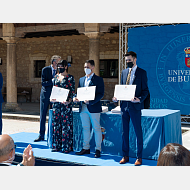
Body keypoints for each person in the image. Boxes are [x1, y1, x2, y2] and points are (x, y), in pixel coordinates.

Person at [113, 51, 149, 165]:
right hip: (124, 107)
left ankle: (139, 157)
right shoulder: (123, 72)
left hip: (135, 107)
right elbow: (122, 88)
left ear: (135, 59)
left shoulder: (142, 73)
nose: (127, 62)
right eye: (126, 60)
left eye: (129, 60)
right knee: (124, 132)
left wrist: (139, 99)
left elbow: (146, 91)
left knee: (138, 132)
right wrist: (116, 97)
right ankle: (125, 155)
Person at [73, 60, 104, 158]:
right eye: (84, 67)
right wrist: (76, 97)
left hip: (94, 107)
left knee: (96, 128)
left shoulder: (98, 79)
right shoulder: (81, 79)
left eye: (87, 67)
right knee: (85, 128)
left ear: (93, 67)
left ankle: (98, 149)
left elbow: (100, 94)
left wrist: (91, 102)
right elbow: (78, 92)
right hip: (83, 107)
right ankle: (86, 148)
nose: (86, 69)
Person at [34, 55, 61, 142]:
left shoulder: (60, 71)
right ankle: (41, 135)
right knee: (43, 116)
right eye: (58, 62)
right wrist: (53, 80)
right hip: (45, 96)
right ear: (54, 62)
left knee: (54, 116)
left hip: (55, 97)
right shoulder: (45, 70)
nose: (59, 64)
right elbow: (43, 83)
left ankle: (53, 135)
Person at [50, 60, 75, 153]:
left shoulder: (70, 77)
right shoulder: (56, 77)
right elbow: (53, 90)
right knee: (56, 125)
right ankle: (56, 146)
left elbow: (72, 91)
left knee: (66, 126)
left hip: (65, 106)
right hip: (56, 105)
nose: (59, 67)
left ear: (65, 67)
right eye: (58, 66)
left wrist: (69, 101)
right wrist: (51, 98)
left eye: (61, 66)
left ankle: (66, 147)